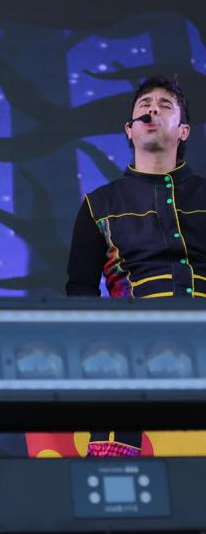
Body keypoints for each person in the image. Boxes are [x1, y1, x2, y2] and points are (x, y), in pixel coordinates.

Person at [66, 75, 205, 456]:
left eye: (165, 105)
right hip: (133, 340)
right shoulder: (99, 204)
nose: (152, 109)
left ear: (183, 131)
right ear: (130, 129)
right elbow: (80, 290)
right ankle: (113, 476)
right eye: (145, 105)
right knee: (110, 365)